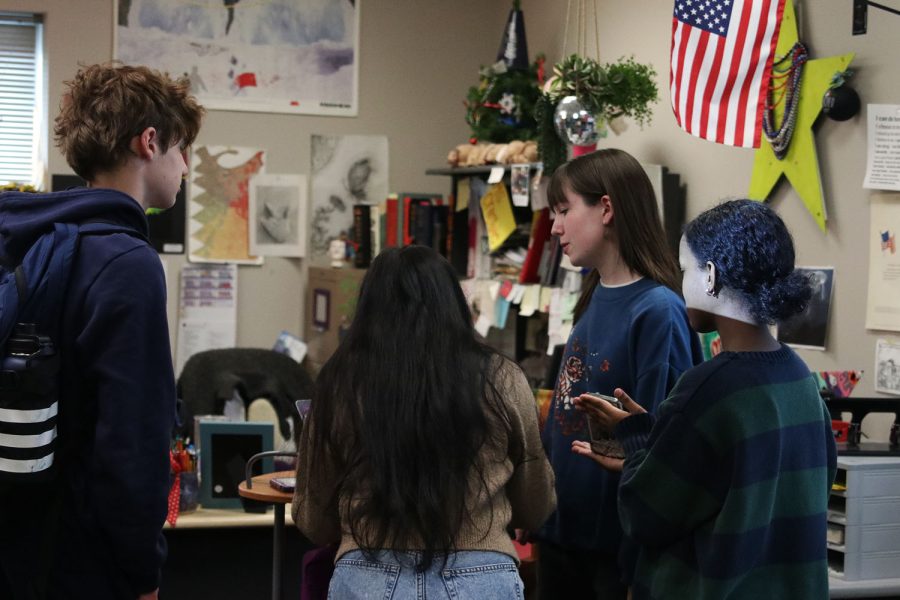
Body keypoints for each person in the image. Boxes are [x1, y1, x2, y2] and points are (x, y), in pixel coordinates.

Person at [0, 62, 204, 599]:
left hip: (21, 541)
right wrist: (142, 573)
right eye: (183, 149)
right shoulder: (127, 262)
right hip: (85, 561)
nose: (185, 166)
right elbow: (132, 445)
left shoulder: (37, 240)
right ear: (150, 141)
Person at [576, 200, 837, 599]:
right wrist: (653, 438)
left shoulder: (709, 388)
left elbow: (646, 513)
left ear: (711, 277)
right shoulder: (801, 379)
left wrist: (635, 442)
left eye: (684, 270)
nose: (680, 285)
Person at [292, 245, 556, 600]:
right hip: (480, 577)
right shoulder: (502, 379)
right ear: (454, 304)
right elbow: (535, 503)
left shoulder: (338, 383)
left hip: (367, 575)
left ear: (369, 308)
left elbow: (313, 518)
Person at [534, 148, 702, 599]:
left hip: (611, 551)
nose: (555, 226)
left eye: (565, 210)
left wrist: (635, 564)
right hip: (561, 534)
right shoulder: (593, 295)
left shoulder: (658, 311)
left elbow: (661, 447)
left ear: (605, 208)